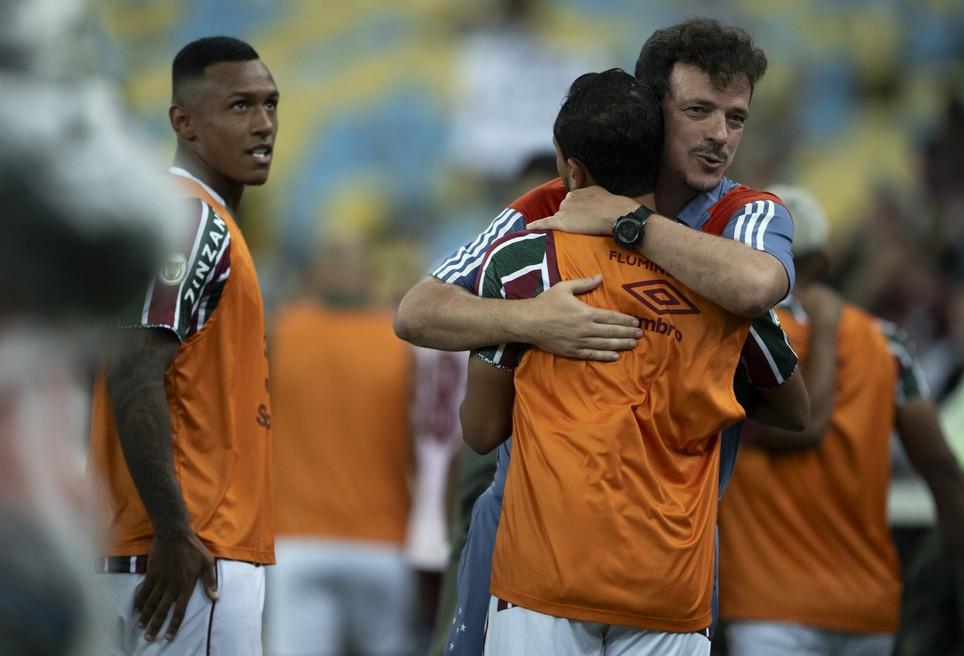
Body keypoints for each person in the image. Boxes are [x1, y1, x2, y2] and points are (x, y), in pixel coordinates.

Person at [396, 19, 802, 655]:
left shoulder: (744, 214)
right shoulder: (551, 204)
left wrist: (629, 221)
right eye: (699, 110)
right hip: (529, 533)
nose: (720, 136)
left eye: (736, 117)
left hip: (667, 543)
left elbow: (756, 286)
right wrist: (531, 321)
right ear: (652, 106)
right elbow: (419, 310)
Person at [717, 186, 964, 656]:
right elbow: (944, 471)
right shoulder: (888, 344)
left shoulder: (728, 341)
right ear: (823, 263)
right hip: (869, 611)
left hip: (768, 609)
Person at [87, 36, 279, 655]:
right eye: (240, 106)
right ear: (184, 121)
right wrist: (173, 530)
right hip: (191, 553)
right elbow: (134, 370)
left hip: (135, 551)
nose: (264, 125)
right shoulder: (190, 219)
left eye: (271, 105)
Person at [265, 234, 418, 655]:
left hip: (296, 540)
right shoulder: (404, 341)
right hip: (383, 541)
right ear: (369, 275)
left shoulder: (280, 332)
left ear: (311, 277)